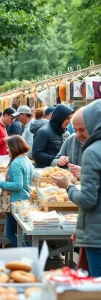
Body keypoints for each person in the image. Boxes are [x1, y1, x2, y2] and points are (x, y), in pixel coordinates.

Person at [51, 100, 101, 277]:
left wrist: (68, 186)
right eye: (75, 129)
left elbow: (88, 201)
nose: (78, 134)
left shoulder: (93, 151)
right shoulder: (72, 141)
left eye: (82, 129)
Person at [0, 135, 33, 247]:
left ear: (15, 147)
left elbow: (17, 185)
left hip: (16, 201)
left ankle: (27, 254)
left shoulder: (16, 163)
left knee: (9, 232)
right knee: (23, 234)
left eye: (8, 147)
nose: (6, 150)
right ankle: (29, 254)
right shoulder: (26, 159)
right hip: (24, 199)